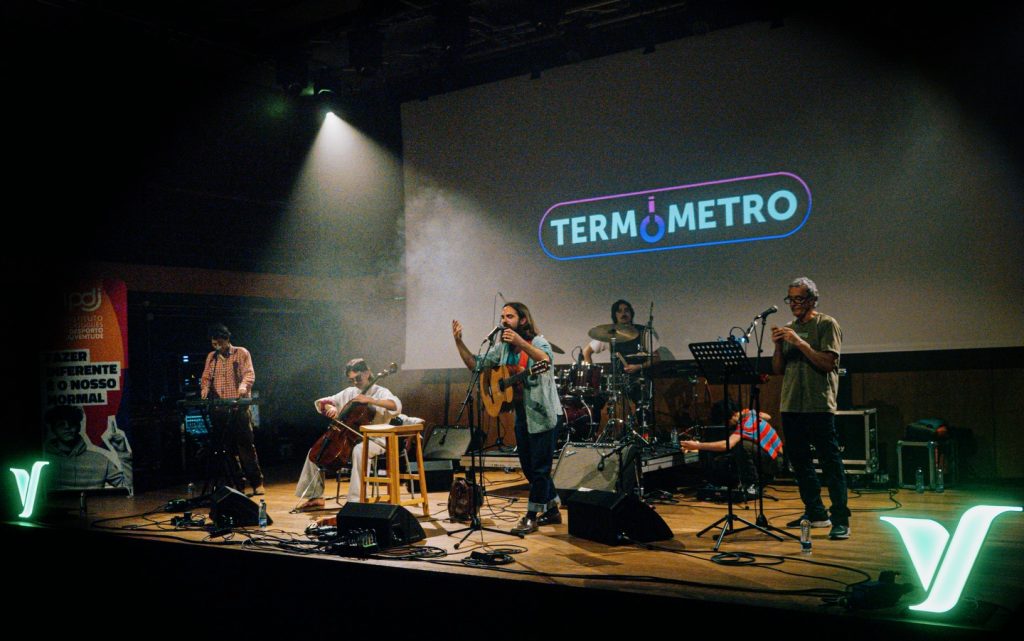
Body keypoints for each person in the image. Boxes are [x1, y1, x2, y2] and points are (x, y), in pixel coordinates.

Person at [453, 302, 562, 535]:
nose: (504, 321)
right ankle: (553, 509)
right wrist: (459, 342)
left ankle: (531, 517)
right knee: (529, 468)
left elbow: (545, 361)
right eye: (502, 317)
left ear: (523, 320)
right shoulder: (502, 348)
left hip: (543, 414)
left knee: (540, 469)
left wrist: (521, 343)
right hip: (522, 415)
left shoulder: (538, 342)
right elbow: (476, 365)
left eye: (510, 316)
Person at [771, 277, 849, 540]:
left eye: (799, 299)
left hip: (818, 404)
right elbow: (778, 370)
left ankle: (840, 519)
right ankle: (815, 512)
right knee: (800, 462)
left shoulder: (827, 324)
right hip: (791, 404)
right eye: (790, 299)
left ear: (813, 300)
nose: (794, 304)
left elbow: (828, 363)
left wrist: (799, 342)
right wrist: (778, 346)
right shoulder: (788, 328)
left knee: (830, 462)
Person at [295, 358, 401, 511]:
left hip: (375, 439)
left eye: (358, 378)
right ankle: (315, 496)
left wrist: (370, 400)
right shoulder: (349, 392)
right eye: (352, 380)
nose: (355, 382)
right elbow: (323, 402)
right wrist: (331, 407)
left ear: (367, 373)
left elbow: (395, 405)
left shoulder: (381, 391)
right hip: (349, 438)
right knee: (317, 451)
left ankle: (355, 501)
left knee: (360, 450)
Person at [200, 323, 265, 496]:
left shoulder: (241, 353)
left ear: (227, 339)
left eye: (219, 343)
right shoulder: (211, 357)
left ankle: (256, 483)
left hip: (239, 407)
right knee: (226, 449)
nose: (216, 346)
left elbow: (249, 374)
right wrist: (205, 391)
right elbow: (206, 378)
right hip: (220, 410)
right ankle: (237, 485)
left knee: (245, 446)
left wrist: (243, 388)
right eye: (214, 344)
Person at [679, 409, 782, 493]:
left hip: (775, 462)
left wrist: (697, 445)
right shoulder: (749, 413)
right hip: (775, 457)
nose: (728, 424)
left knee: (741, 445)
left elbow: (726, 445)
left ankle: (752, 485)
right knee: (738, 447)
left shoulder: (746, 425)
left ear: (733, 415)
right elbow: (768, 417)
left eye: (728, 422)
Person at [43, 405, 133, 492]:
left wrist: (123, 452)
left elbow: (128, 488)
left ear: (79, 426)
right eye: (61, 424)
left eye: (72, 423)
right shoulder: (44, 461)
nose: (67, 427)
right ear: (53, 429)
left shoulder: (100, 460)